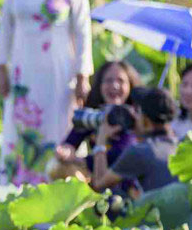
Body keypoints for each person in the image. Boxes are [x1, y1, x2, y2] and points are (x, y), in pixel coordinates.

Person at [0, 0, 93, 185]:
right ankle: (17, 189)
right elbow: (6, 27)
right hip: (22, 71)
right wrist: (0, 69)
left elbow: (84, 33)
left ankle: (58, 188)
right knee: (20, 129)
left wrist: (83, 77)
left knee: (58, 127)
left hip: (59, 73)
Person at [53, 60, 140, 193]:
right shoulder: (94, 115)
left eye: (121, 81)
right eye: (108, 80)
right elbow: (70, 142)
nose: (114, 86)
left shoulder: (136, 119)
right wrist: (65, 152)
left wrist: (80, 158)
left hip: (126, 190)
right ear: (99, 85)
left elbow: (117, 157)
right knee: (56, 166)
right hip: (98, 184)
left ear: (130, 85)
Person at [92, 87, 179, 196]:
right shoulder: (180, 145)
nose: (133, 115)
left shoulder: (140, 151)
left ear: (146, 122)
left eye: (137, 111)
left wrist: (101, 139)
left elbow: (99, 183)